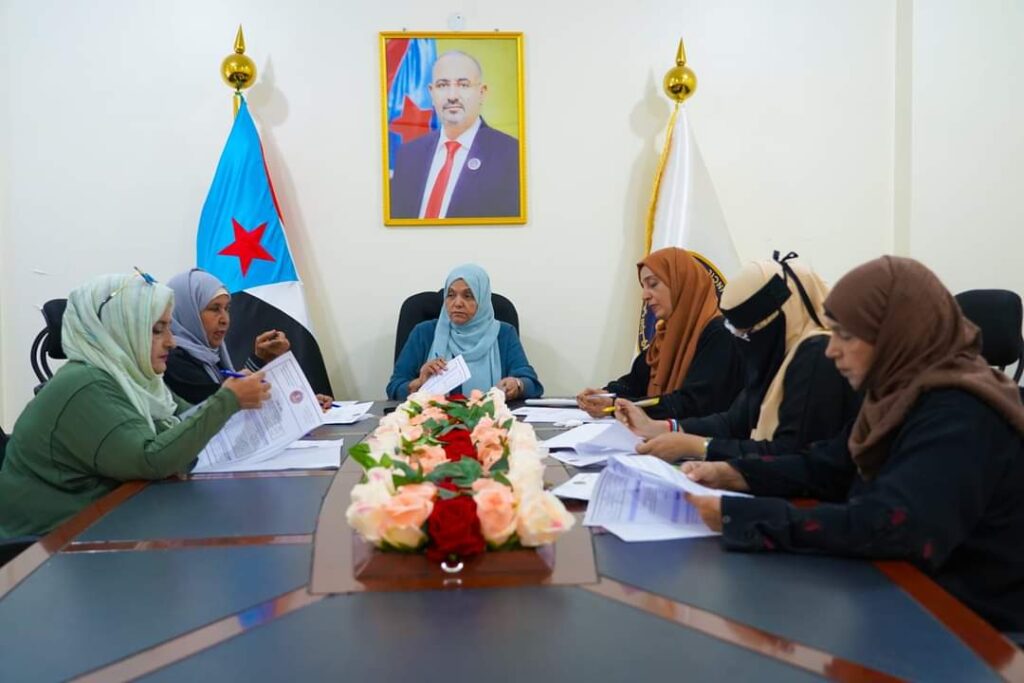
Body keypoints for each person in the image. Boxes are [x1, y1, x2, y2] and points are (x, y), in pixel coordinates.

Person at [683, 256, 1024, 634]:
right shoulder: (896, 394)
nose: (831, 350)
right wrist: (733, 474)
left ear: (895, 334)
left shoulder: (961, 412)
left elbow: (892, 525)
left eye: (846, 335)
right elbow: (827, 465)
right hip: (902, 600)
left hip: (974, 632)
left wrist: (744, 517)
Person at [0, 271, 271, 537]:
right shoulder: (84, 384)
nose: (171, 342)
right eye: (157, 330)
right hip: (45, 546)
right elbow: (151, 460)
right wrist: (227, 400)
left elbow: (186, 417)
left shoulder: (135, 378)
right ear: (119, 330)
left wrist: (238, 400)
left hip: (105, 522)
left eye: (168, 327)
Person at [617, 252, 858, 461]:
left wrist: (700, 447)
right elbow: (733, 422)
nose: (744, 342)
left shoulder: (816, 354)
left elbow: (790, 452)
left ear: (778, 318)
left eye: (749, 332)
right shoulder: (777, 352)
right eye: (739, 333)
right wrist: (662, 428)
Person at [576, 247, 744, 420]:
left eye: (653, 284)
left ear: (681, 284)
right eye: (643, 286)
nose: (644, 296)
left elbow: (694, 404)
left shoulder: (720, 335)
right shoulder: (666, 334)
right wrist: (605, 395)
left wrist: (617, 406)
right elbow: (634, 383)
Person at [163, 269, 333, 410]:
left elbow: (235, 399)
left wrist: (302, 401)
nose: (225, 319)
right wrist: (296, 404)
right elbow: (227, 409)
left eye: (227, 309)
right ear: (188, 312)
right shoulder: (174, 359)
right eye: (214, 309)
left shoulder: (210, 354)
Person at [389, 50, 520, 219]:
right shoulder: (408, 154)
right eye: (442, 85)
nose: (452, 96)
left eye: (463, 85)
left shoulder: (512, 155)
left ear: (482, 92)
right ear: (431, 93)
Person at [387, 264, 542, 401]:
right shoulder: (424, 333)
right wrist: (419, 384)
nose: (457, 303)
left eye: (468, 296)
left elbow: (531, 383)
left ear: (482, 300)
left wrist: (517, 384)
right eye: (451, 295)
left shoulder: (504, 333)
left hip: (490, 420)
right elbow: (394, 387)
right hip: (432, 420)